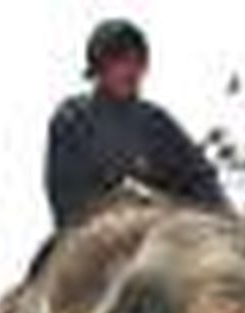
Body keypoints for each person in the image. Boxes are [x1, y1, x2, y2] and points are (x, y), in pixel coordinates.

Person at [43, 18, 228, 231]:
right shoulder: (72, 117)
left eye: (138, 62)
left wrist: (222, 219)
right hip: (96, 236)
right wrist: (118, 204)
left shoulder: (157, 122)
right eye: (121, 61)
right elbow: (65, 192)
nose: (131, 70)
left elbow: (200, 177)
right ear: (99, 67)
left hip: (165, 231)